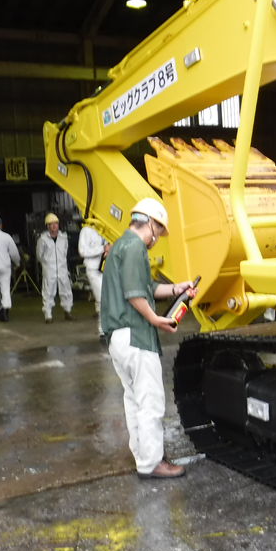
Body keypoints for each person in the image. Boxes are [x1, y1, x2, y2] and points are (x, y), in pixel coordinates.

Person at [101, 198, 197, 480]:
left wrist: (177, 288)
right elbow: (135, 294)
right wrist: (156, 320)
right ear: (152, 225)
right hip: (135, 334)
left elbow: (148, 287)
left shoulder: (120, 246)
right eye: (160, 231)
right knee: (151, 400)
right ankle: (153, 462)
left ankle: (145, 458)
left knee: (135, 399)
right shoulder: (135, 247)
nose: (158, 239)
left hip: (119, 337)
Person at [36, 213, 74, 324]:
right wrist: (47, 263)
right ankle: (48, 315)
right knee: (48, 292)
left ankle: (68, 312)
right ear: (47, 226)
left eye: (56, 224)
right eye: (51, 224)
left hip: (62, 269)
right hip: (49, 270)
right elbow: (39, 255)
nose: (54, 226)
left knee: (66, 291)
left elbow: (65, 252)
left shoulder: (63, 238)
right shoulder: (43, 239)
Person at [78, 222, 109, 339]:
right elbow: (82, 251)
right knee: (102, 299)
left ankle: (106, 328)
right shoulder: (86, 230)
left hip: (105, 268)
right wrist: (102, 248)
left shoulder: (106, 228)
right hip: (93, 270)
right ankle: (102, 330)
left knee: (105, 299)